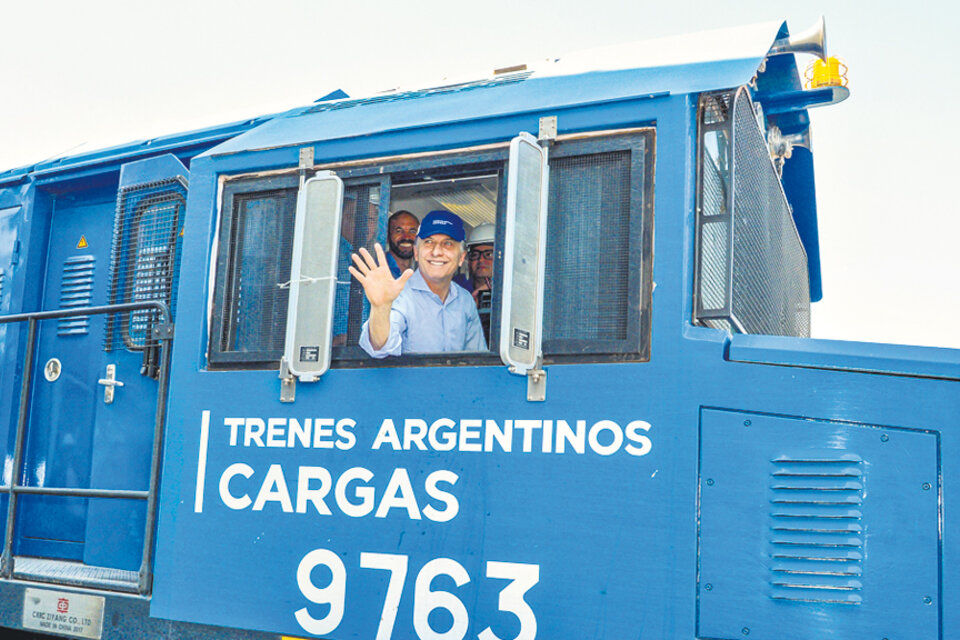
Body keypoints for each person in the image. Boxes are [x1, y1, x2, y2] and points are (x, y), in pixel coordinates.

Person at [351, 210, 486, 357]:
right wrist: (381, 308)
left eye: (447, 243)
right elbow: (380, 346)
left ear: (461, 257)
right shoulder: (400, 294)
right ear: (416, 253)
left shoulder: (465, 299)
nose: (436, 252)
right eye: (429, 242)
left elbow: (477, 357)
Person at [385, 210, 419, 278]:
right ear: (387, 236)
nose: (406, 237)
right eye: (399, 231)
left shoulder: (422, 273)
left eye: (412, 231)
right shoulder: (377, 268)